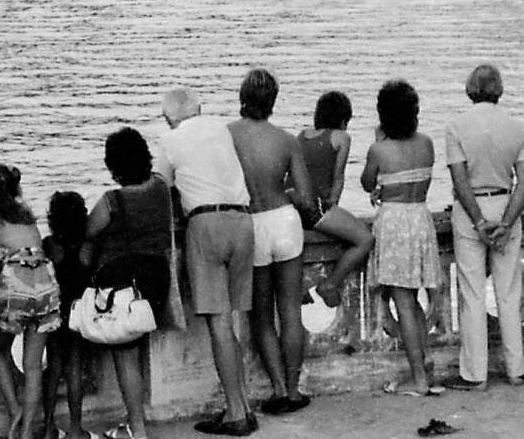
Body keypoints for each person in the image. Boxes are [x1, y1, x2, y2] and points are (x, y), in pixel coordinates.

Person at [155, 86, 256, 437]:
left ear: (168, 116)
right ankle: (243, 402)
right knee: (234, 321)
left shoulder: (170, 140)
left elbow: (161, 188)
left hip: (206, 223)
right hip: (243, 222)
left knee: (219, 324)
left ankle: (235, 413)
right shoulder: (220, 128)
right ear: (201, 108)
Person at [228, 68, 317, 416]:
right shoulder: (286, 140)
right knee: (290, 312)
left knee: (262, 317)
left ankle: (278, 389)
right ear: (274, 102)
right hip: (285, 220)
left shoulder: (228, 135)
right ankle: (294, 390)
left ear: (242, 97)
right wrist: (289, 193)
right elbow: (307, 198)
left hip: (251, 223)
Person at [442, 63, 524, 389]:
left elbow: (459, 180)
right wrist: (507, 223)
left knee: (472, 292)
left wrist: (478, 220)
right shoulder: (518, 128)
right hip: (506, 202)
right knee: (509, 291)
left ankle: (475, 374)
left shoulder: (456, 127)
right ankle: (516, 368)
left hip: (471, 209)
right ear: (499, 90)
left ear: (470, 89)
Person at [83, 127, 174, 439]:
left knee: (126, 357)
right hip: (157, 280)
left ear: (114, 165)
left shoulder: (113, 202)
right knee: (137, 348)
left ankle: (137, 428)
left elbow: (89, 231)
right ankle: (137, 424)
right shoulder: (161, 187)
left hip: (125, 289)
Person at [361, 78, 443, 397]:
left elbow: (368, 183)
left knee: (404, 302)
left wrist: (378, 142)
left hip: (394, 222)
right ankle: (424, 366)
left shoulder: (378, 148)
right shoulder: (426, 144)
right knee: (414, 299)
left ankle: (420, 379)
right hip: (420, 218)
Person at [0, 163, 61, 439]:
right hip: (46, 282)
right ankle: (27, 432)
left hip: (16, 283)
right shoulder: (27, 214)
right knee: (34, 364)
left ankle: (15, 410)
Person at [296, 91, 375, 306]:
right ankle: (331, 282)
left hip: (294, 204)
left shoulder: (303, 135)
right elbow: (337, 178)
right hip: (317, 207)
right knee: (365, 240)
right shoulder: (341, 138)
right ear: (343, 120)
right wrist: (333, 209)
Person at [42, 190, 93, 439]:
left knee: (52, 368)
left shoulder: (51, 245)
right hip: (80, 312)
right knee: (75, 368)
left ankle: (49, 424)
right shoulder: (87, 247)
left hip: (55, 311)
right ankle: (75, 427)